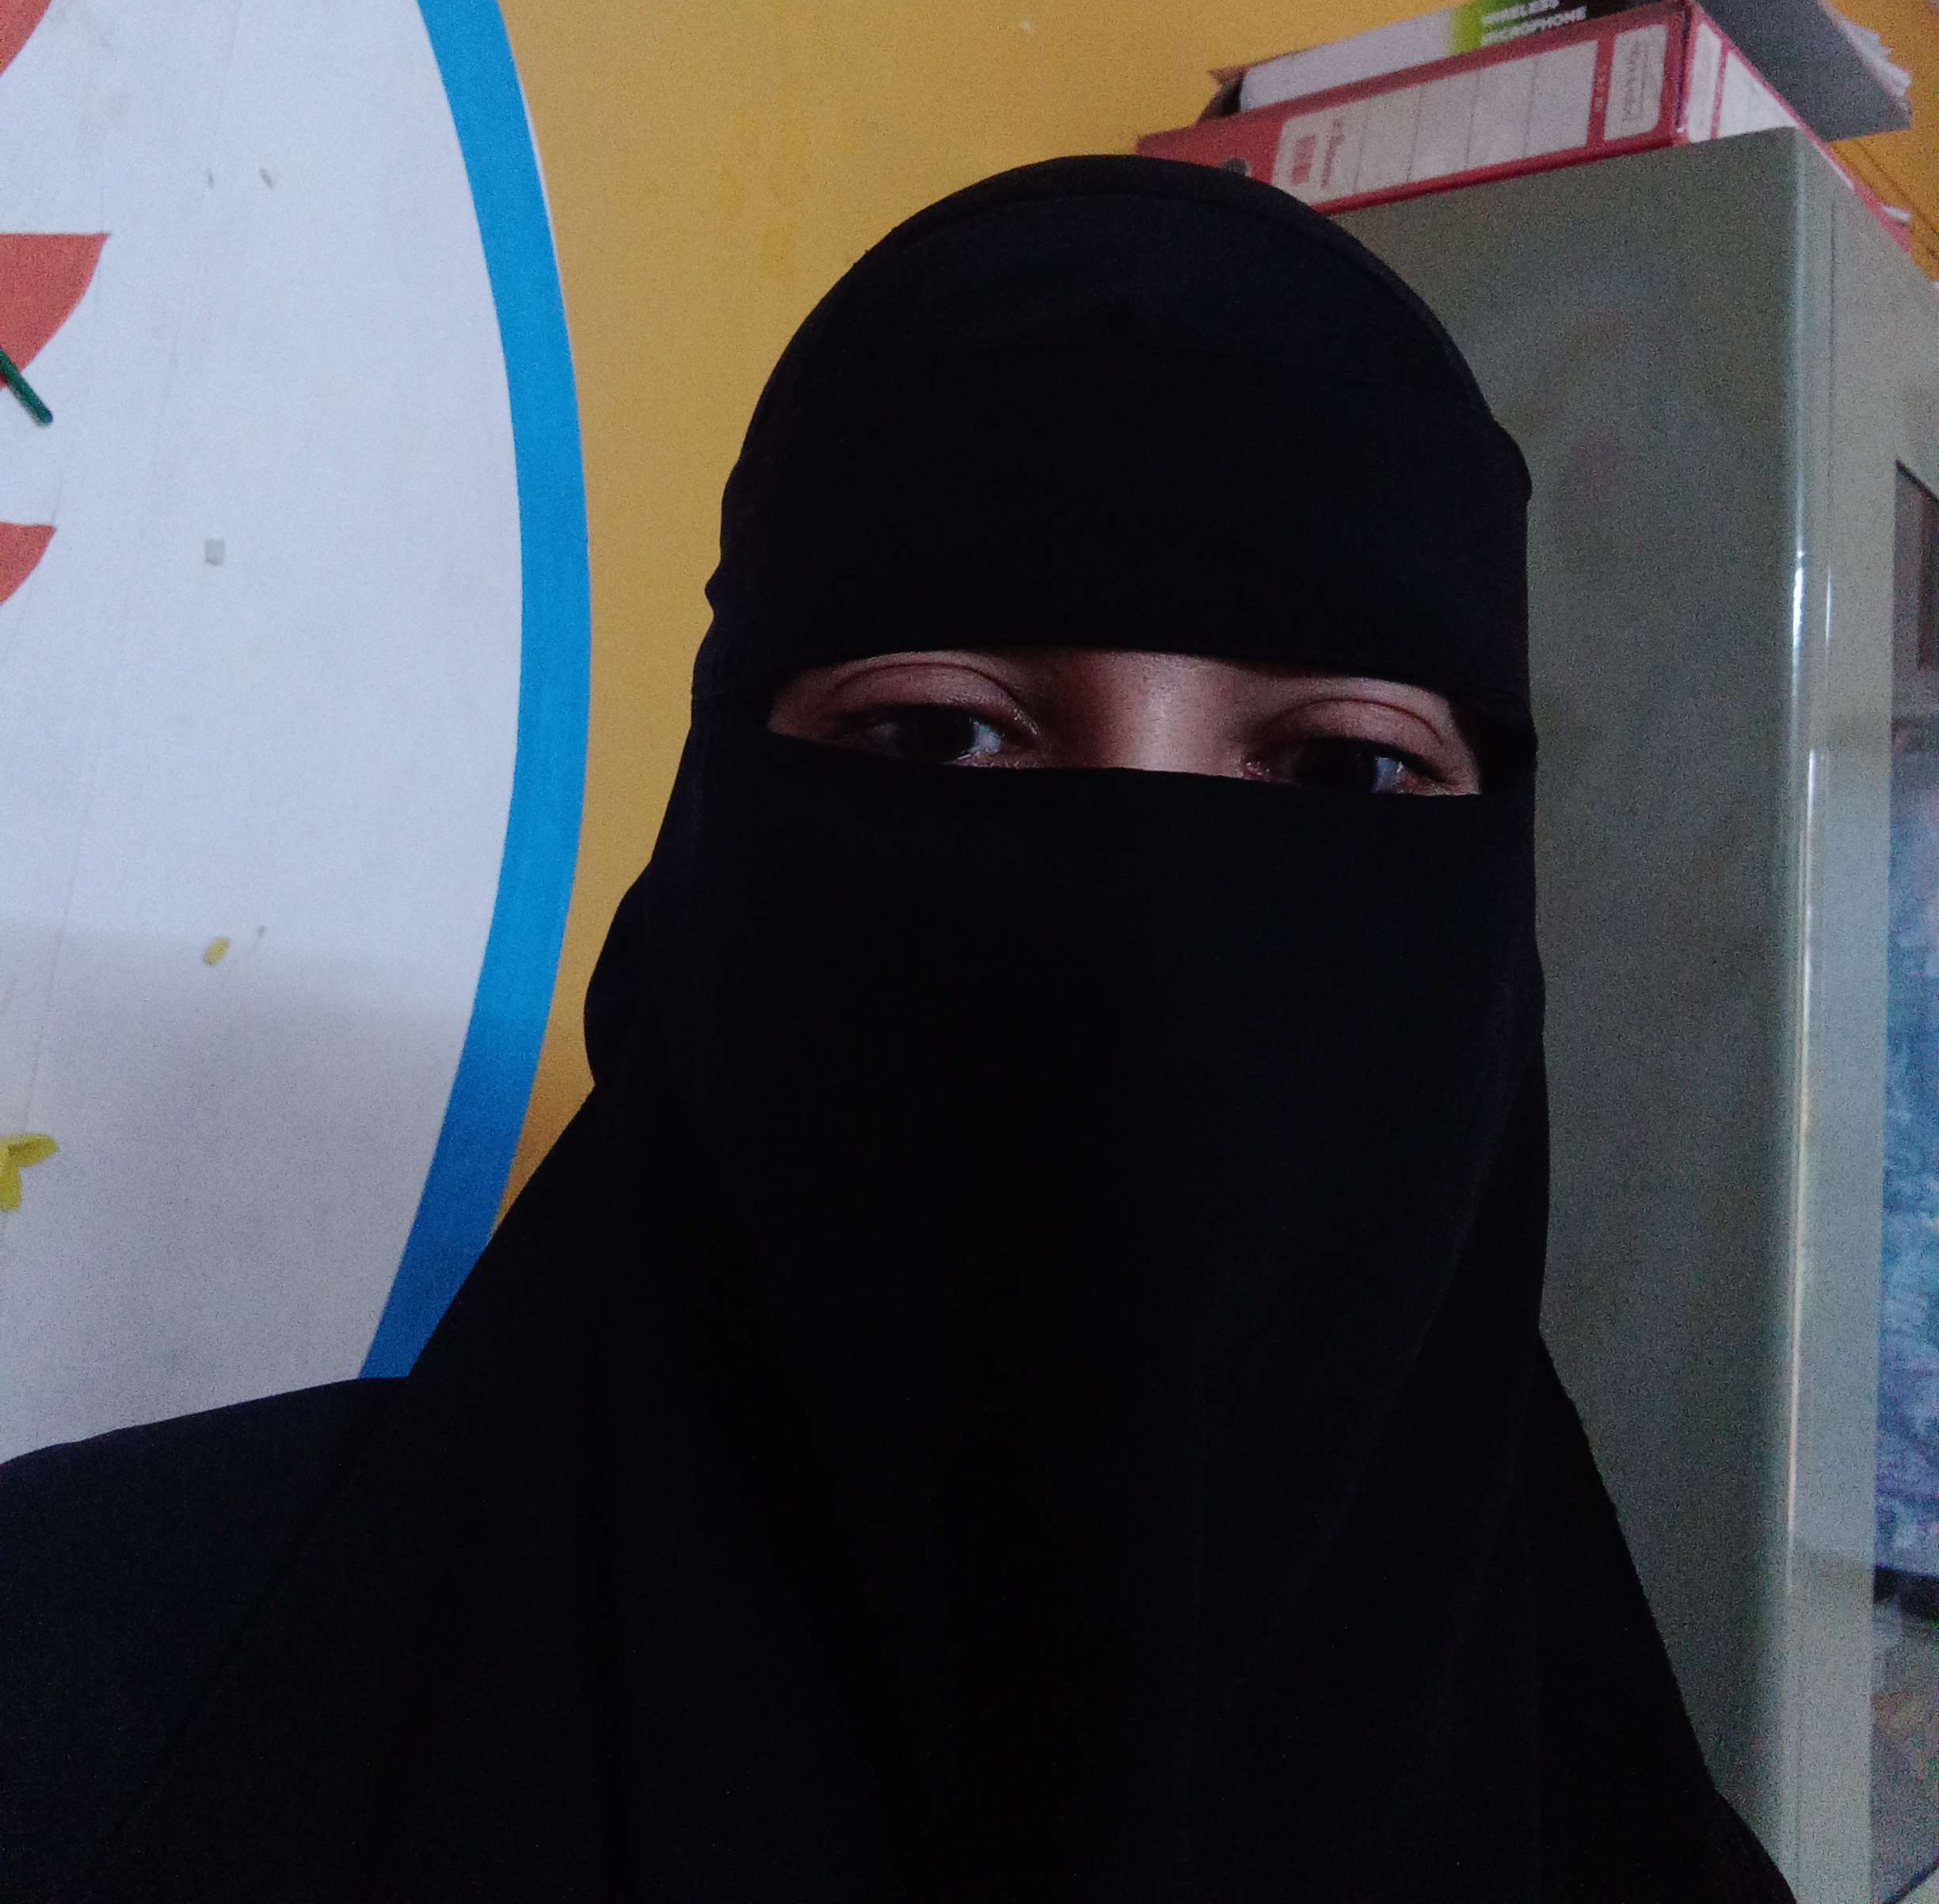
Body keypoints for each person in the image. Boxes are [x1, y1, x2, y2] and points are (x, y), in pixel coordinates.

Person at [2, 156, 1793, 1902]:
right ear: (717, 839)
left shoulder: (1643, 1839)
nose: (1139, 939)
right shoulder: (76, 1676)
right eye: (942, 736)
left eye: (1345, 770)